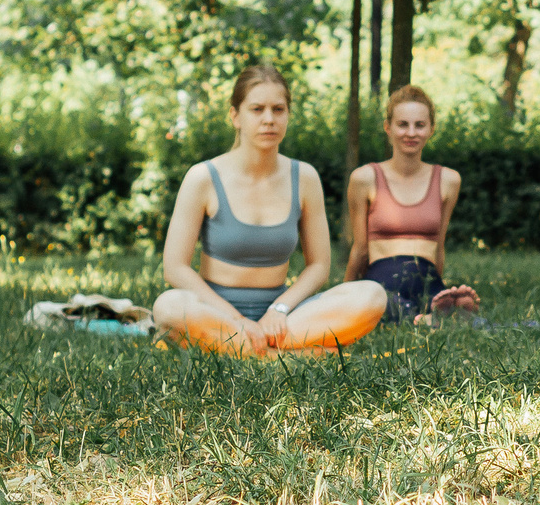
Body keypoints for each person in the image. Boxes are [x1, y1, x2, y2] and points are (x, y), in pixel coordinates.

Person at [151, 64, 386, 356]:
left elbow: (319, 266)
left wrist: (279, 309)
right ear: (235, 116)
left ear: (288, 115)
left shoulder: (305, 178)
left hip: (283, 317)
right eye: (257, 109)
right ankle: (284, 355)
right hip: (216, 313)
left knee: (372, 295)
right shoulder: (203, 177)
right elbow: (175, 268)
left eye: (278, 109)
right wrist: (236, 319)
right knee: (168, 306)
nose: (268, 119)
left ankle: (241, 349)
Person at [343, 85, 481, 322]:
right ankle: (427, 318)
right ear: (388, 127)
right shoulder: (364, 178)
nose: (411, 133)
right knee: (386, 304)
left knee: (444, 310)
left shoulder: (448, 180)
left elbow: (438, 246)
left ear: (431, 129)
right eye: (402, 124)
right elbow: (361, 248)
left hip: (427, 278)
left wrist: (438, 285)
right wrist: (344, 295)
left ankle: (437, 312)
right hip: (381, 279)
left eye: (419, 125)